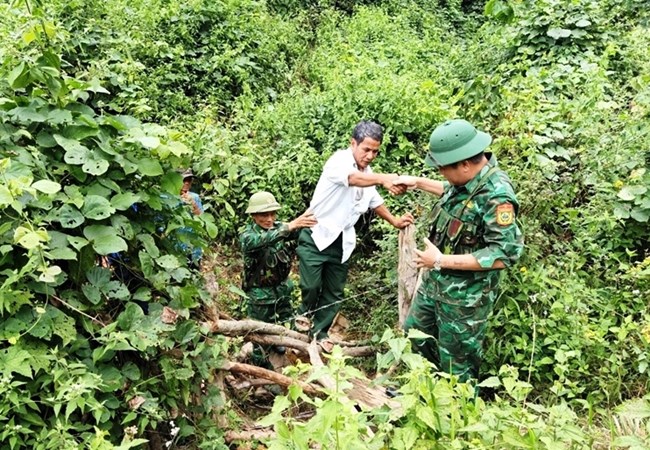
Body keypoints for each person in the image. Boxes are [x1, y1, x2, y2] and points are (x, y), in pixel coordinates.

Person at [395, 119, 524, 383]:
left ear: (465, 164)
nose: (441, 174)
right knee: (415, 333)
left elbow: (502, 254)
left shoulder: (497, 196)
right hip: (436, 285)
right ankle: (426, 393)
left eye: (443, 168)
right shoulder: (466, 181)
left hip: (464, 300)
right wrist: (418, 182)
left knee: (457, 363)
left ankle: (454, 414)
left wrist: (440, 260)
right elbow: (449, 190)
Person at [297, 120, 414, 342]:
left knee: (334, 292)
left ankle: (319, 334)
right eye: (366, 149)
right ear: (353, 143)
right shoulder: (338, 162)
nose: (370, 156)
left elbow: (374, 201)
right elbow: (351, 179)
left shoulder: (367, 173)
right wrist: (383, 178)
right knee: (311, 286)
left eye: (375, 152)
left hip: (342, 241)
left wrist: (395, 221)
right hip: (317, 234)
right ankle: (303, 316)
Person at [240, 191, 317, 335]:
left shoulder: (278, 226)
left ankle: (282, 346)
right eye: (264, 215)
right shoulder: (247, 236)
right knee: (260, 332)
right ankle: (261, 356)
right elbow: (265, 239)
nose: (269, 219)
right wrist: (290, 226)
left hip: (282, 289)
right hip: (260, 294)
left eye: (273, 214)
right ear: (254, 215)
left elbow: (298, 230)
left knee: (285, 323)